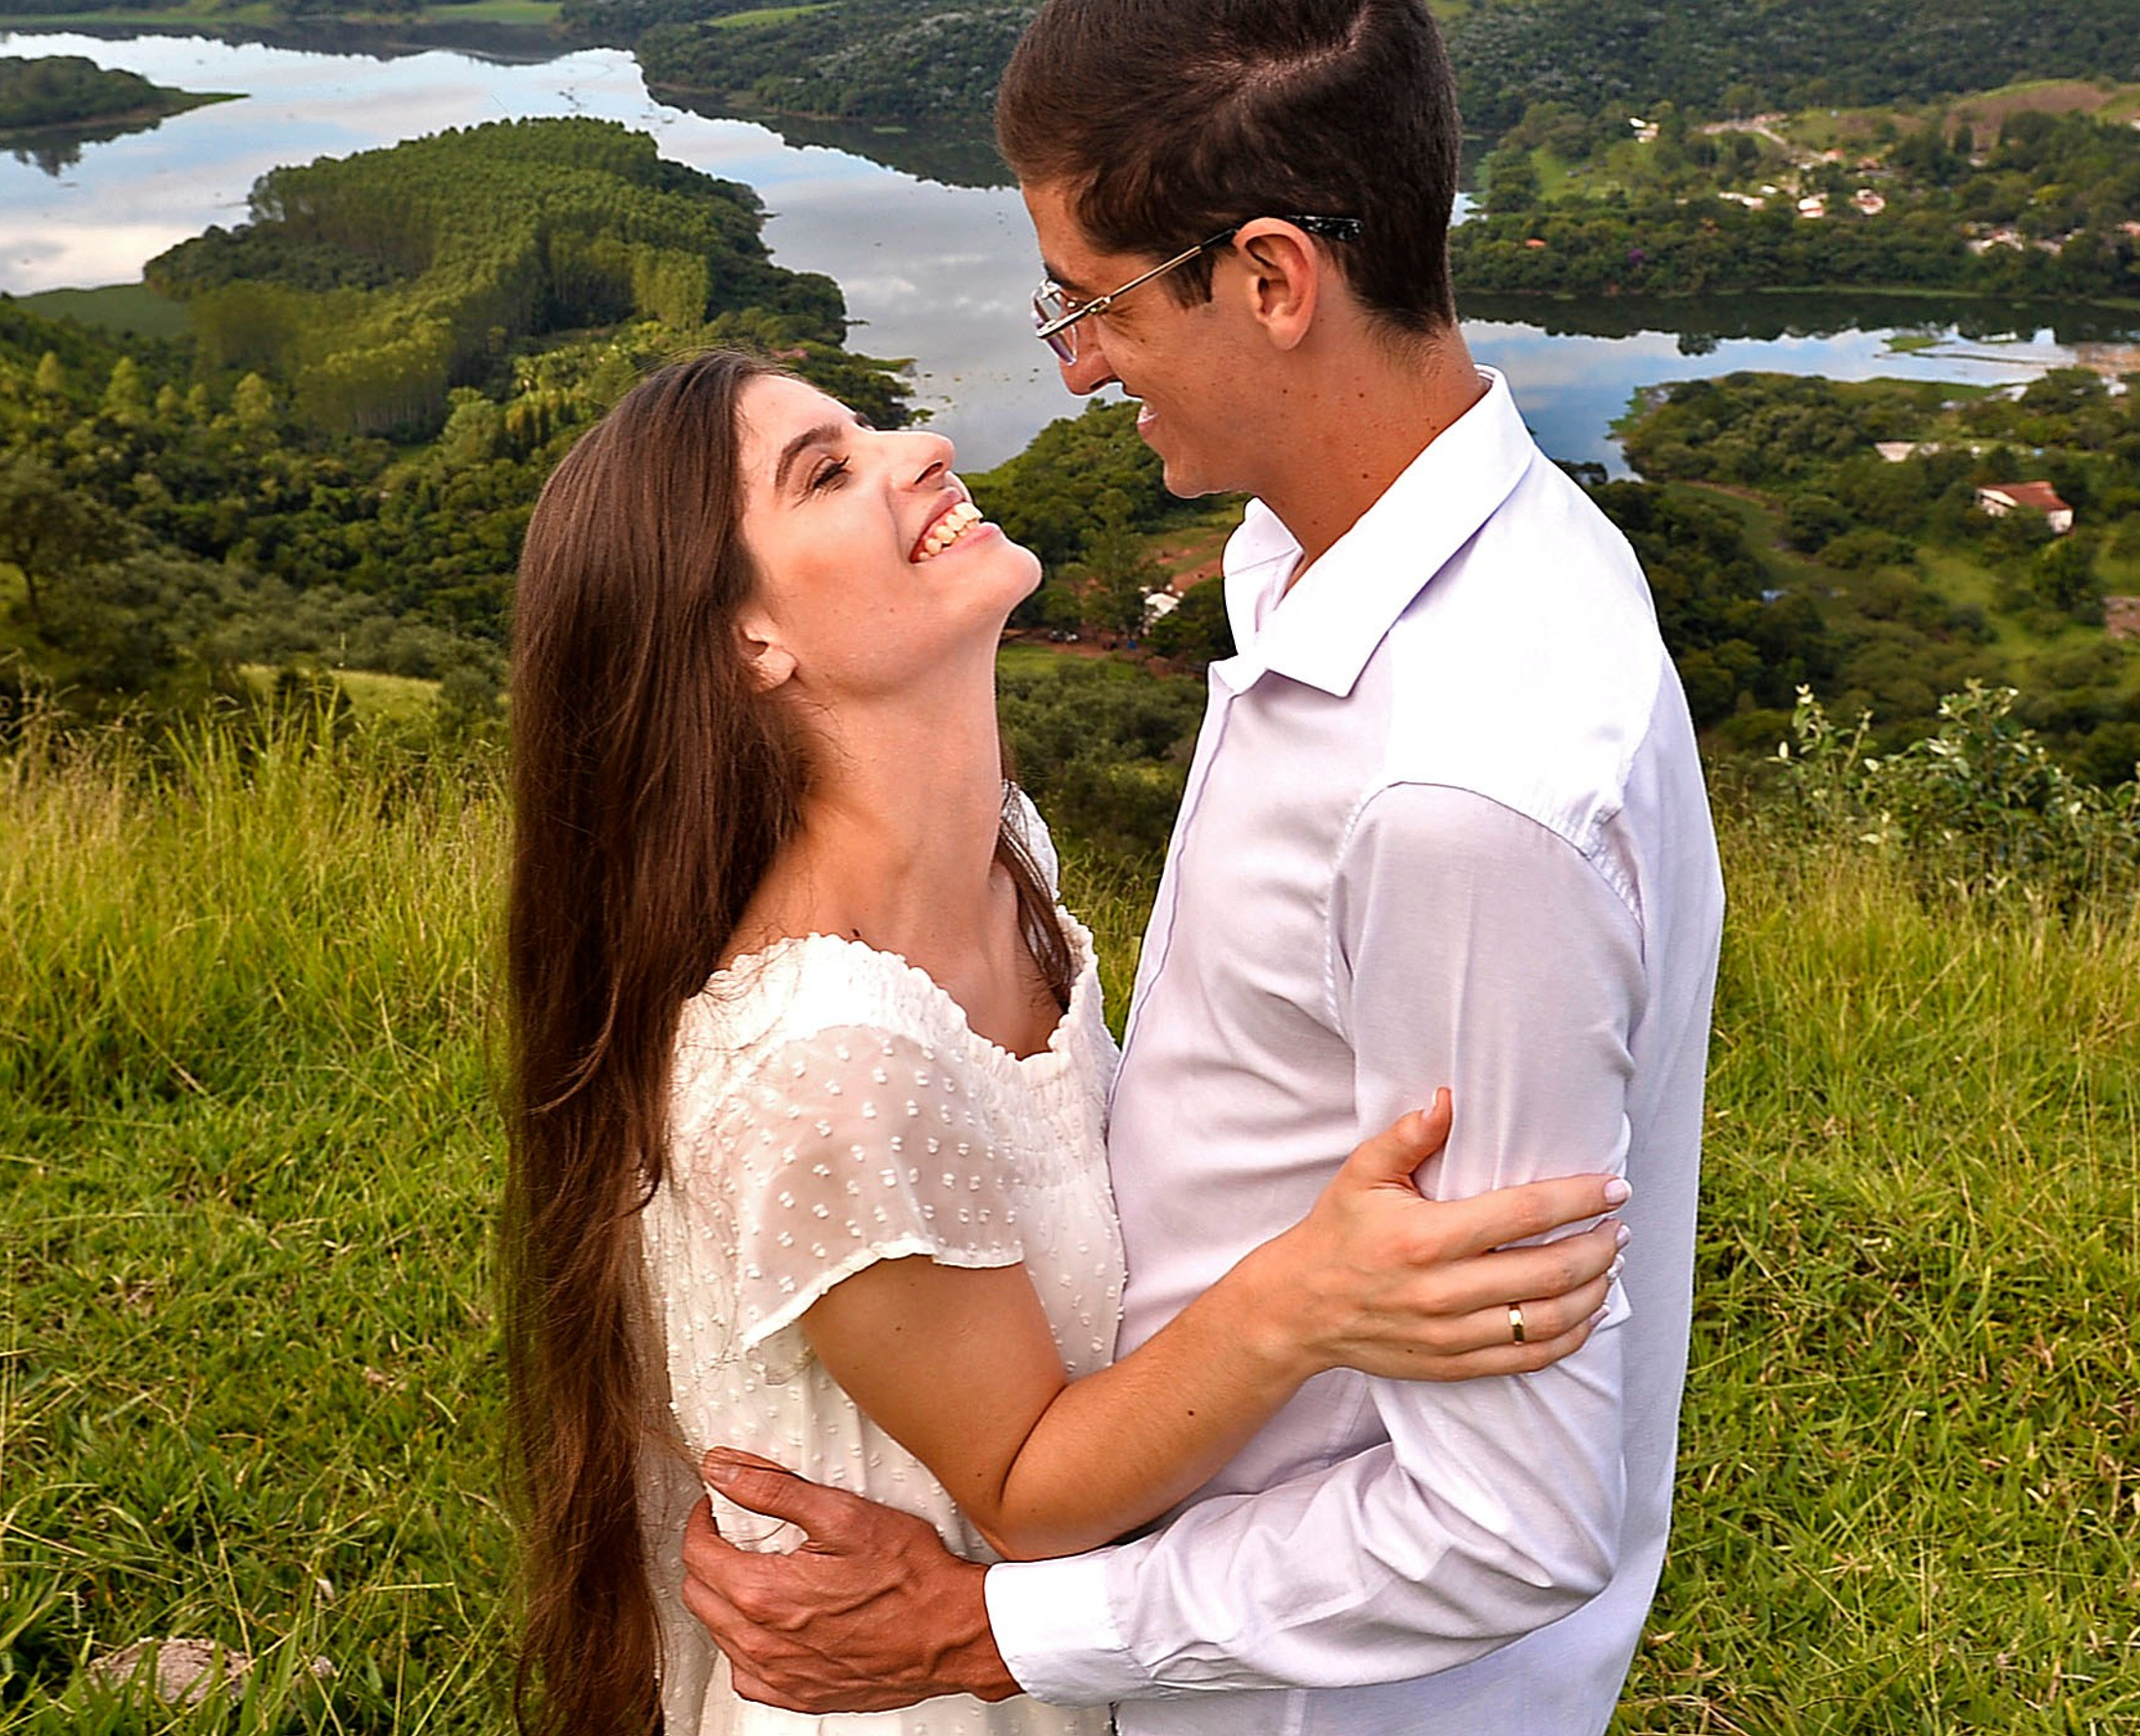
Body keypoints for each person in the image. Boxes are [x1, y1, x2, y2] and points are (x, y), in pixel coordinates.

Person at [679, 0, 1727, 1732]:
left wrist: (988, 1637)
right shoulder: (1410, 559)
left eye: (1091, 301)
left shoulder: (1452, 799)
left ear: (1266, 279)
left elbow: (1505, 1521)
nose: (1074, 365)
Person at [500, 344, 1633, 1736]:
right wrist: (1307, 1297)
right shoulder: (832, 1054)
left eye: (870, 425)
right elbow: (1024, 1486)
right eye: (827, 471)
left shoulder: (1003, 864)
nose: (917, 449)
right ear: (749, 642)